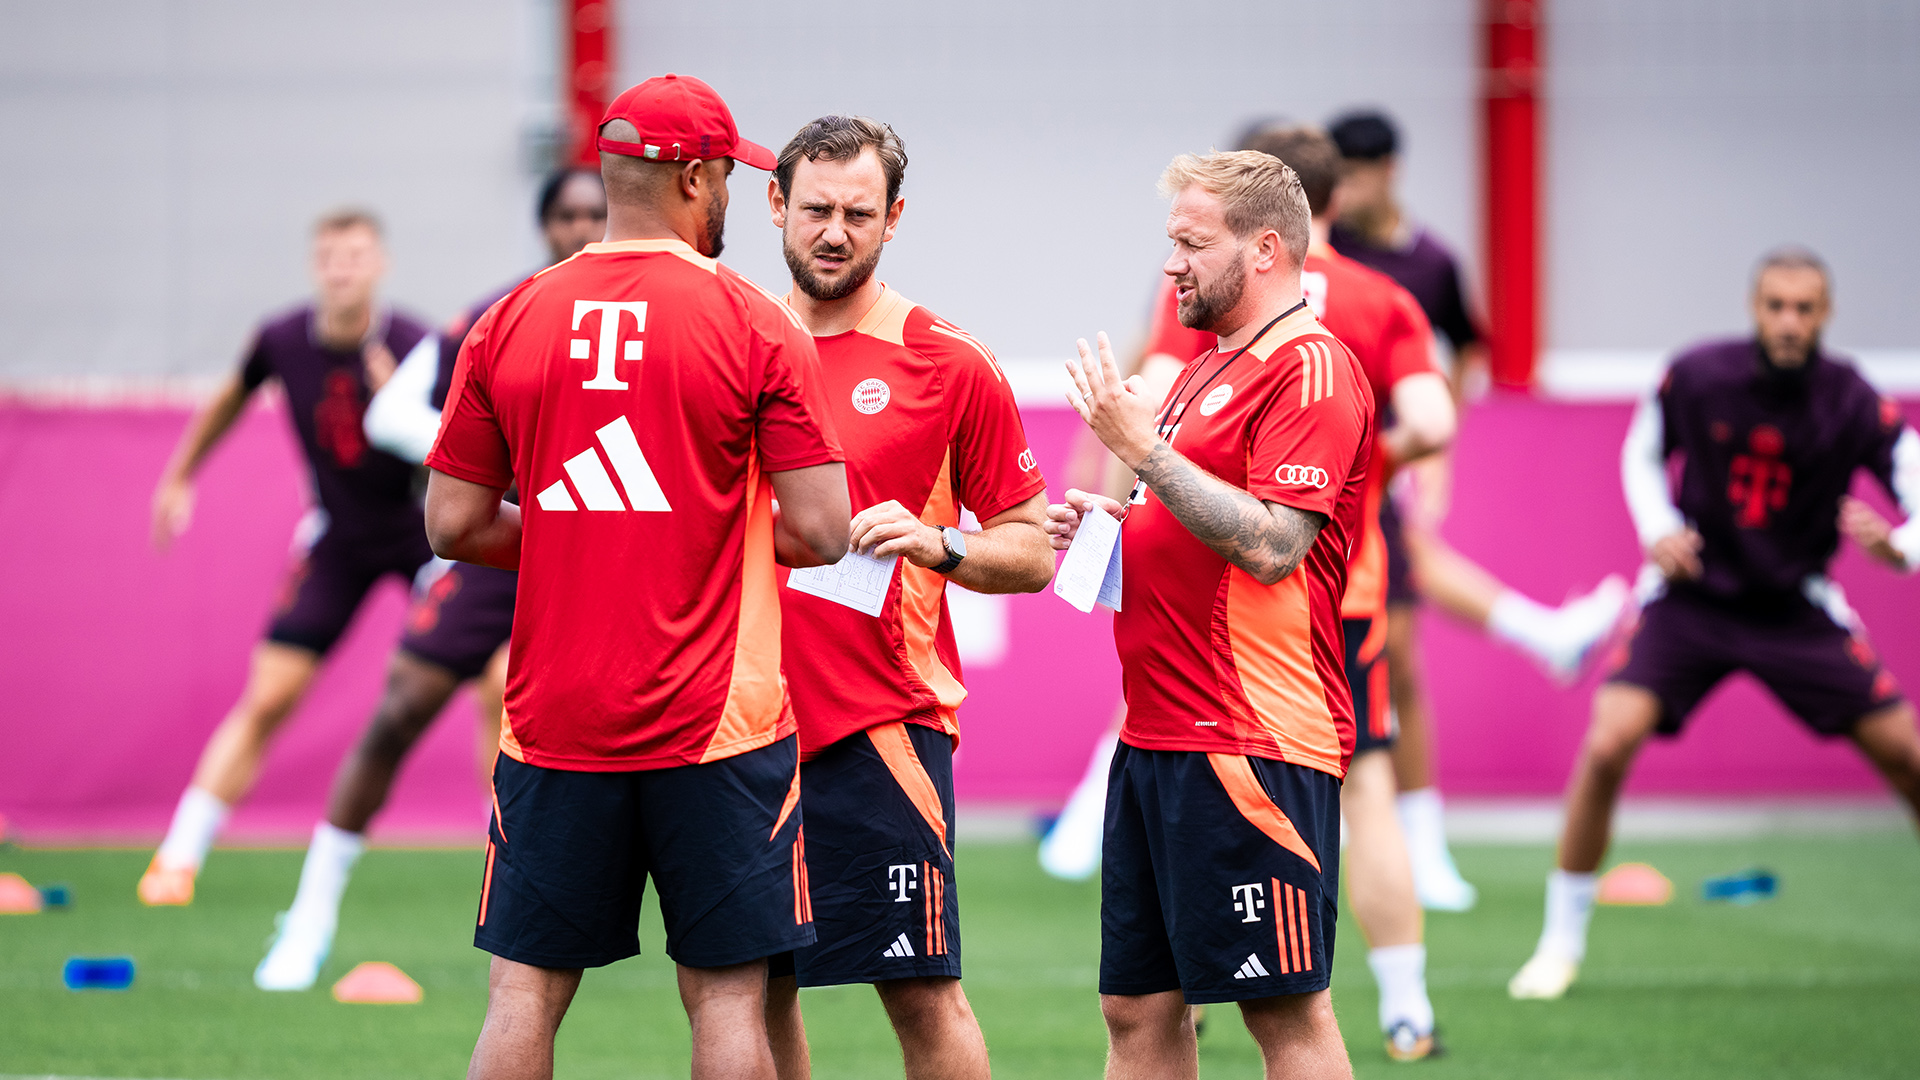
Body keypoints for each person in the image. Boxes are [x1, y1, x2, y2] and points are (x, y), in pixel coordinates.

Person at [423, 74, 852, 1080]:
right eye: (731, 178)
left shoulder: (511, 317)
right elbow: (825, 531)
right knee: (727, 997)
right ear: (697, 179)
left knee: (524, 991)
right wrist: (696, 531)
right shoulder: (755, 322)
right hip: (718, 727)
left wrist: (589, 530)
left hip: (555, 719)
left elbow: (451, 522)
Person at [1509, 248, 1920, 1001]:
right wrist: (1659, 527)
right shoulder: (1697, 374)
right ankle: (1558, 945)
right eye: (1776, 305)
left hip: (1797, 604)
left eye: (1805, 308)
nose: (1789, 322)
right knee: (1607, 743)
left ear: (1824, 314)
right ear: (1754, 306)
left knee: (1909, 755)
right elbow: (1641, 453)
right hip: (1690, 596)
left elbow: (1913, 481)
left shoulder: (1853, 399)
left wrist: (1901, 546)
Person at [1047, 150, 1372, 1080]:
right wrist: (1116, 523)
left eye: (1192, 243)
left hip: (1251, 740)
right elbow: (1191, 514)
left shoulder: (1313, 370)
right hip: (1158, 736)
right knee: (1138, 1009)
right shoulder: (1202, 369)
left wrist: (1143, 454)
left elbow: (1274, 545)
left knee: (1284, 1010)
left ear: (1265, 249)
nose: (1172, 264)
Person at [252, 168, 608, 991]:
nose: (585, 227)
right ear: (544, 226)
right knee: (401, 706)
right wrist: (492, 460)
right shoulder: (502, 314)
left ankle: (687, 933)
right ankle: (308, 918)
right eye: (567, 215)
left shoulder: (669, 311)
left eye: (598, 211)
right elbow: (391, 415)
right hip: (517, 541)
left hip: (623, 553)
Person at [757, 115, 1054, 1080]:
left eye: (857, 212)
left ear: (893, 219)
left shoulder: (948, 361)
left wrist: (938, 543)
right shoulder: (731, 340)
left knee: (922, 990)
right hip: (736, 725)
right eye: (815, 210)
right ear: (776, 206)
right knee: (747, 986)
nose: (833, 232)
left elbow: (1030, 546)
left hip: (880, 724)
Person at [1328, 108, 1627, 912]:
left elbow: (1456, 355)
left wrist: (1435, 455)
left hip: (1376, 461)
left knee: (1396, 655)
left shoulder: (1428, 265)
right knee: (1378, 647)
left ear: (1389, 169)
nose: (1345, 190)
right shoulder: (1323, 254)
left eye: (1356, 173)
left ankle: (1418, 844)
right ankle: (1540, 631)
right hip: (1322, 460)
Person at [140, 211, 433, 907]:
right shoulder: (280, 340)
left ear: (380, 265)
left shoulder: (416, 345)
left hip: (422, 532)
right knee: (269, 693)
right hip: (337, 535)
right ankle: (179, 856)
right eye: (329, 256)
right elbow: (230, 399)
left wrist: (406, 404)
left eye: (356, 255)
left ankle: (508, 848)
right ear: (314, 265)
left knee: (495, 679)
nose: (341, 268)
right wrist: (179, 475)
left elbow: (460, 445)